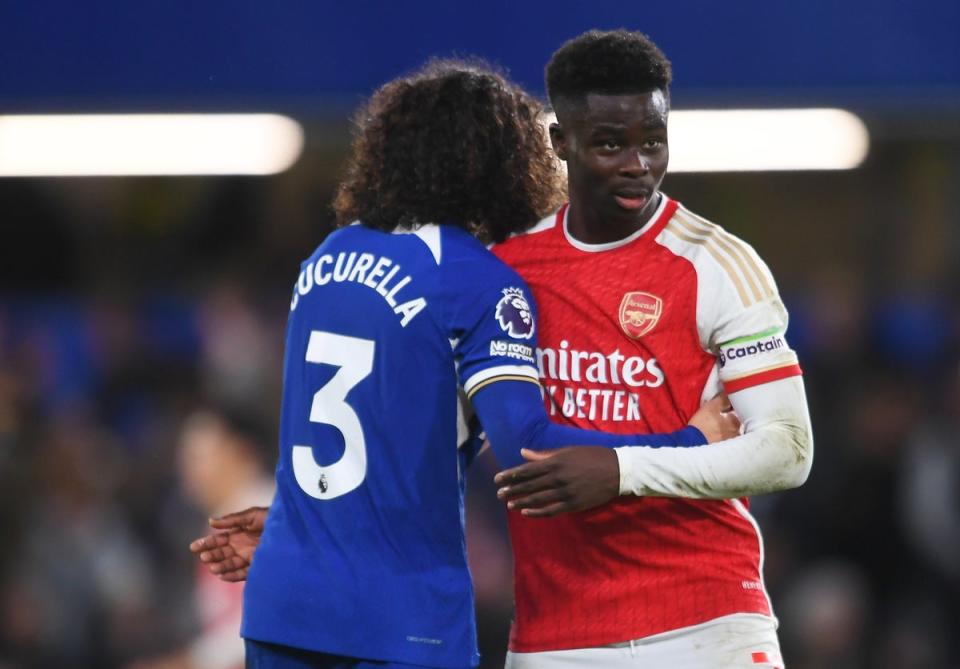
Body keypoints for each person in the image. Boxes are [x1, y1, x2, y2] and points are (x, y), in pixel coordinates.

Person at [202, 58, 738, 669]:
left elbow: (358, 438)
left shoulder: (325, 260)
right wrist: (689, 442)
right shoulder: (476, 280)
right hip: (400, 622)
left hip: (284, 605)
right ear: (504, 167)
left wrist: (300, 534)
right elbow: (530, 452)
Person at [487, 30, 813, 668]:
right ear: (561, 144)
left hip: (709, 623)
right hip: (557, 638)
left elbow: (789, 449)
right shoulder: (507, 267)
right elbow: (442, 441)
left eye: (653, 141)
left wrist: (622, 471)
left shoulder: (716, 263)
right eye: (611, 143)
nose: (638, 163)